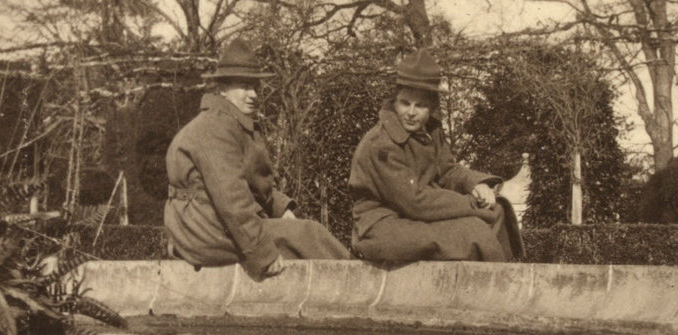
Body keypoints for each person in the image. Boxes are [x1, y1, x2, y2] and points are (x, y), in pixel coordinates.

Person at [165, 38, 350, 281]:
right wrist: (263, 253)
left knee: (300, 231)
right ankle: (358, 286)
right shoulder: (214, 128)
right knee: (308, 235)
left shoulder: (230, 123)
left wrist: (280, 209)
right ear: (222, 88)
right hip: (202, 231)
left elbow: (251, 182)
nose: (252, 95)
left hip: (210, 225)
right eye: (244, 86)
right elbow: (232, 200)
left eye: (255, 87)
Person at [348, 48, 524, 265]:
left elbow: (448, 170)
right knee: (473, 233)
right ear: (395, 101)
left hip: (413, 218)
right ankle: (491, 292)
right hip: (383, 227)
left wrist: (475, 185)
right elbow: (415, 202)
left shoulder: (430, 133)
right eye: (405, 103)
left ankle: (495, 282)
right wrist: (471, 204)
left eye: (420, 105)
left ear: (431, 107)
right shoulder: (381, 145)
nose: (411, 112)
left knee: (496, 210)